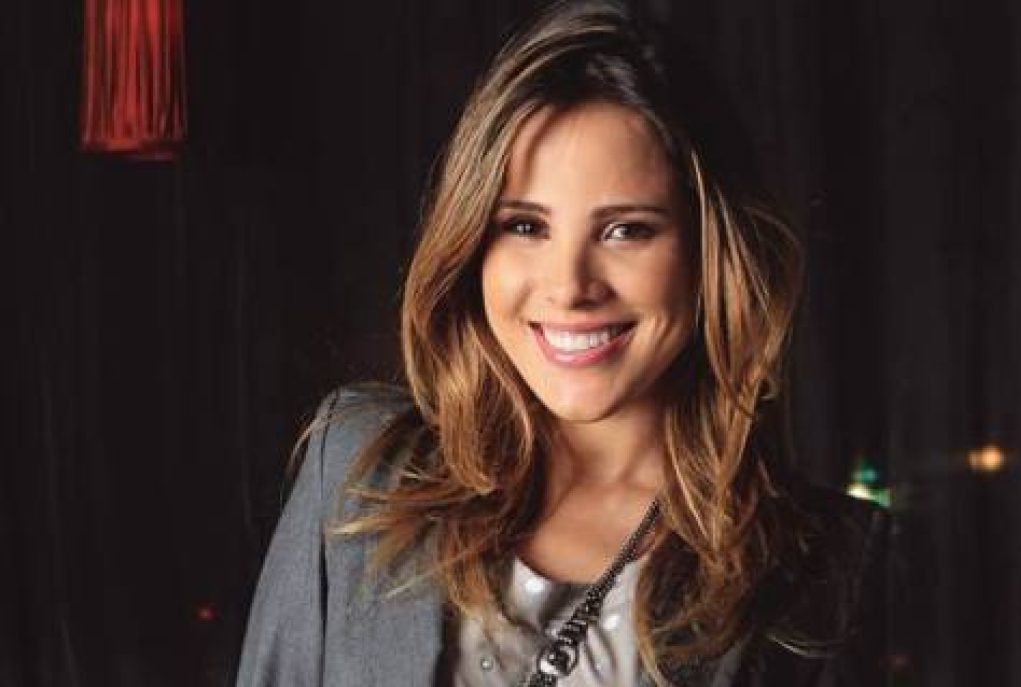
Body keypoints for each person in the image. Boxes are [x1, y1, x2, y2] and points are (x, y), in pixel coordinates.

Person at [236, 1, 889, 685]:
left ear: (709, 253)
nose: (570, 286)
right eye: (525, 226)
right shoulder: (358, 472)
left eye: (625, 230)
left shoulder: (818, 567)